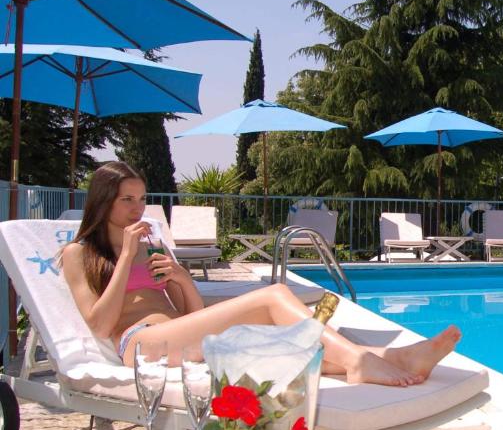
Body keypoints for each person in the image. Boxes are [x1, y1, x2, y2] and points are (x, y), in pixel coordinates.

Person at [61, 162, 460, 386]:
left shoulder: (153, 246)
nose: (137, 207)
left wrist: (182, 279)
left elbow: (192, 317)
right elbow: (99, 325)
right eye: (127, 199)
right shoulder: (79, 253)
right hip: (139, 343)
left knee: (288, 346)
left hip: (179, 337)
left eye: (142, 199)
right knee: (272, 297)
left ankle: (397, 357)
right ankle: (361, 362)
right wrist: (126, 254)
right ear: (104, 200)